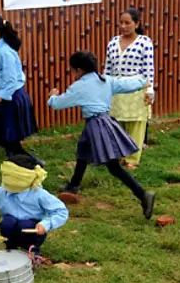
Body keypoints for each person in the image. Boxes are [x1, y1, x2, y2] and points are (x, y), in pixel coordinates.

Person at [51, 51, 157, 219]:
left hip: (96, 125)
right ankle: (73, 185)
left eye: (73, 70)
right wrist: (143, 82)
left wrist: (52, 97)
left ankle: (143, 194)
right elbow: (126, 84)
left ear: (79, 70)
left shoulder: (79, 86)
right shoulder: (106, 80)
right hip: (105, 121)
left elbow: (58, 104)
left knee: (113, 167)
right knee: (83, 152)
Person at [0, 155, 69, 266]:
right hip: (10, 228)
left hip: (32, 229)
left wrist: (46, 224)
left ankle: (32, 251)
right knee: (7, 223)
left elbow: (61, 211)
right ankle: (11, 248)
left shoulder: (39, 194)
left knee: (24, 225)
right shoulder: (1, 192)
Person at [0, 14, 40, 165]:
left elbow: (11, 81)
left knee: (9, 139)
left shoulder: (4, 52)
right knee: (7, 137)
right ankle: (28, 164)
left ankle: (33, 164)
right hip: (7, 97)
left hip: (12, 97)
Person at [105, 7, 155, 168]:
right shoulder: (113, 42)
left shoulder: (145, 42)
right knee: (116, 125)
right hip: (117, 90)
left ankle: (131, 159)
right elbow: (107, 69)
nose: (123, 26)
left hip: (136, 90)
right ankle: (118, 156)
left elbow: (149, 69)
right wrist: (104, 88)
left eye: (127, 23)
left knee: (136, 126)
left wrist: (149, 91)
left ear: (137, 24)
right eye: (121, 23)